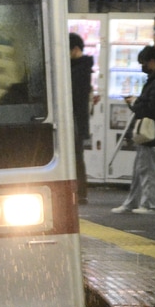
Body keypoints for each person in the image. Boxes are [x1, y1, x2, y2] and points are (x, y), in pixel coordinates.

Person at [113, 45, 155, 214]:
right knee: (139, 169)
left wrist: (136, 103)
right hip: (151, 132)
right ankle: (132, 202)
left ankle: (151, 204)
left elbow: (154, 107)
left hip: (153, 133)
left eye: (143, 63)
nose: (142, 67)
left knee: (150, 169)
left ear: (152, 61)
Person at [69, 33, 94, 204]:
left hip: (76, 121)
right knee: (76, 157)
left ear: (76, 49)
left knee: (76, 157)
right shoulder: (81, 67)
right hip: (77, 121)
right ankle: (79, 192)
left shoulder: (80, 69)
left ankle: (80, 193)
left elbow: (74, 95)